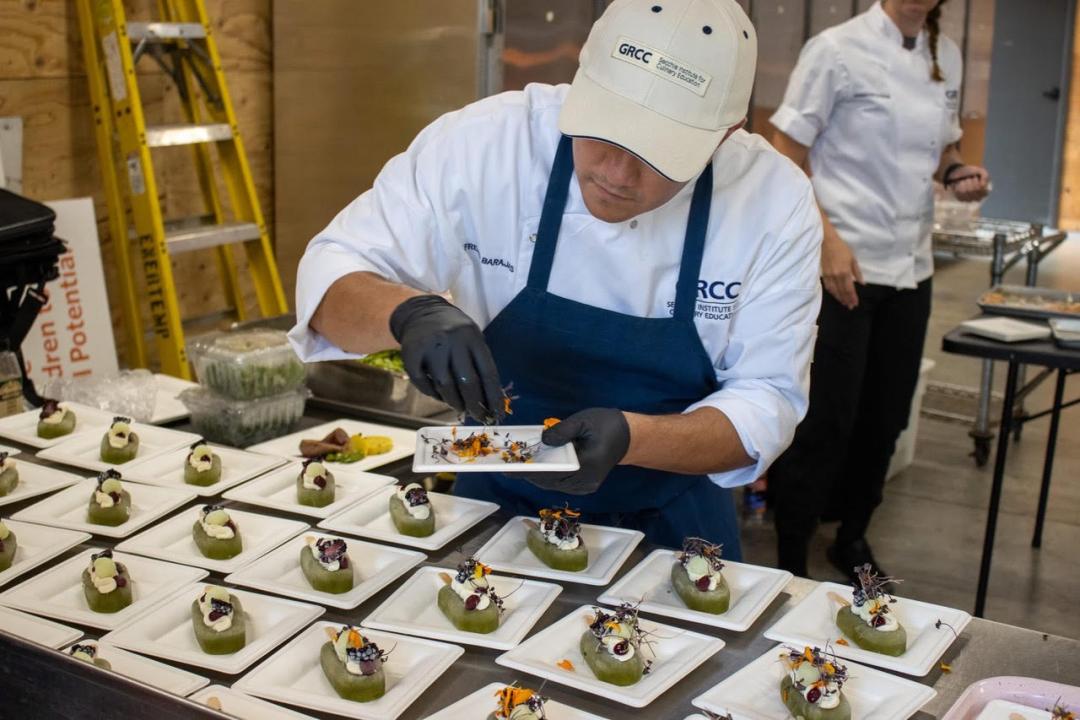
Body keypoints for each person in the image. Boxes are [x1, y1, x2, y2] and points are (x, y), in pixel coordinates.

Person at [290, 0, 824, 558]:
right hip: (492, 504)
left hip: (675, 525)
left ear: (726, 134)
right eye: (606, 130)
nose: (617, 174)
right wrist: (406, 314)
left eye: (661, 154)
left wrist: (634, 440)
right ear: (580, 81)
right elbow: (331, 275)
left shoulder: (772, 202)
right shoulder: (489, 143)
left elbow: (768, 400)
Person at [767, 0, 991, 580]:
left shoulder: (946, 54)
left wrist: (957, 174)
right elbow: (785, 151)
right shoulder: (837, 49)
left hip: (911, 268)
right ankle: (791, 561)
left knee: (885, 419)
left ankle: (852, 538)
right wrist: (825, 241)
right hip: (845, 269)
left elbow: (943, 149)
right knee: (825, 422)